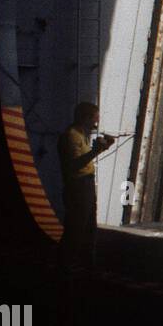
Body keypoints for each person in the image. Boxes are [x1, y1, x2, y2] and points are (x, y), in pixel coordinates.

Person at [57, 102, 114, 272]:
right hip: (78, 187)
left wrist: (101, 148)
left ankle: (84, 264)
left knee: (88, 226)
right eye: (95, 118)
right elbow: (74, 165)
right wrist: (96, 151)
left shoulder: (81, 135)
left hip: (85, 185)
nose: (97, 122)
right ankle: (66, 265)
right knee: (77, 227)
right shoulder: (72, 136)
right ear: (86, 118)